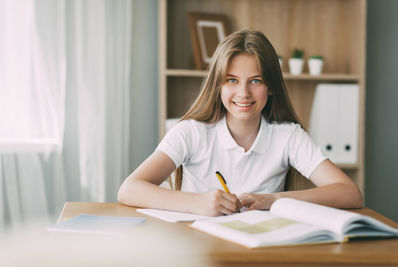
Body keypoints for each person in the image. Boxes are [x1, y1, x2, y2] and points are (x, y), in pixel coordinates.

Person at [118, 29, 363, 216]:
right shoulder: (190, 133)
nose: (243, 93)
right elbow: (129, 189)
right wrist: (197, 203)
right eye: (232, 80)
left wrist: (274, 200)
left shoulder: (289, 137)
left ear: (270, 87)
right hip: (195, 250)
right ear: (218, 85)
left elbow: (349, 193)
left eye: (255, 81)